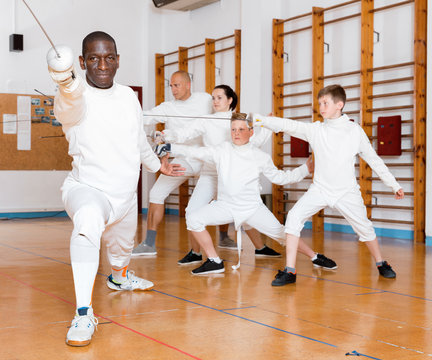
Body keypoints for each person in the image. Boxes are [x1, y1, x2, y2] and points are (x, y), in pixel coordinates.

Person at [46, 31, 184, 346]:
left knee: (122, 250)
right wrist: (64, 80)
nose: (102, 64)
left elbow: (137, 141)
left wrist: (156, 165)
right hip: (88, 188)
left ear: (118, 60)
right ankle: (83, 313)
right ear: (82, 62)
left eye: (109, 57)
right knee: (88, 223)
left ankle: (119, 278)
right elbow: (67, 107)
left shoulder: (127, 97)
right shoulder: (74, 95)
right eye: (93, 58)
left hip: (124, 194)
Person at [252, 84, 405, 286]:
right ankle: (290, 271)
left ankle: (381, 263)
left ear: (339, 104)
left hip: (346, 192)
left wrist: (393, 184)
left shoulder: (354, 131)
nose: (321, 107)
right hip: (320, 189)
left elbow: (374, 160)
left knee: (365, 229)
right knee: (294, 218)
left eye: (325, 103)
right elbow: (290, 125)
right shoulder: (316, 129)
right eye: (320, 103)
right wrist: (260, 119)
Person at [155, 113, 337, 275]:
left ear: (251, 132)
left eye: (241, 129)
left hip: (252, 209)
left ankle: (315, 257)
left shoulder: (260, 157)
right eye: (233, 129)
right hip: (226, 207)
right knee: (194, 219)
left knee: (283, 234)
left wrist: (305, 168)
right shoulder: (221, 151)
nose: (236, 133)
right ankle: (214, 261)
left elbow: (281, 178)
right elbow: (195, 152)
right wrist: (169, 146)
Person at [159, 85, 283, 265]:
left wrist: (268, 127)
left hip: (234, 175)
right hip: (210, 174)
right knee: (192, 212)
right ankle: (195, 252)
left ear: (230, 100)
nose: (215, 101)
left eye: (219, 97)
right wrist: (167, 135)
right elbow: (184, 134)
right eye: (213, 98)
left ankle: (261, 248)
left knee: (245, 211)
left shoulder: (239, 120)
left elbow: (254, 142)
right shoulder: (205, 120)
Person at [132, 70, 218, 256]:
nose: (173, 89)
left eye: (176, 85)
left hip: (207, 159)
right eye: (170, 85)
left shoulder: (204, 99)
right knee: (156, 193)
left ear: (188, 85)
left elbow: (223, 113)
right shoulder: (167, 107)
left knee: (220, 197)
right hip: (183, 160)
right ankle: (149, 244)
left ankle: (225, 237)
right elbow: (144, 116)